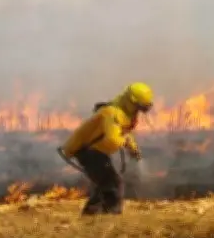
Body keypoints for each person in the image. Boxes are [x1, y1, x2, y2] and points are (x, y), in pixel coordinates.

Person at [60, 82, 154, 215]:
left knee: (105, 182)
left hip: (97, 150)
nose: (140, 111)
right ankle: (111, 214)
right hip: (87, 150)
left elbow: (124, 132)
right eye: (139, 107)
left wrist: (133, 148)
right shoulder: (111, 113)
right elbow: (112, 140)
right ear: (131, 102)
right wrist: (125, 142)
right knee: (113, 183)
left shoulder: (125, 113)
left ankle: (91, 214)